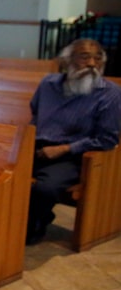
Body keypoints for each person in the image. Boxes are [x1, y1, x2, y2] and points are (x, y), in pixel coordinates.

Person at [26, 38, 121, 245]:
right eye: (84, 57)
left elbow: (107, 139)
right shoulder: (48, 84)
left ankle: (33, 224)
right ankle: (8, 222)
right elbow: (35, 113)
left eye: (98, 58)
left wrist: (63, 148)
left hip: (73, 156)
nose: (92, 64)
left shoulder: (110, 94)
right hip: (37, 147)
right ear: (67, 61)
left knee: (45, 187)